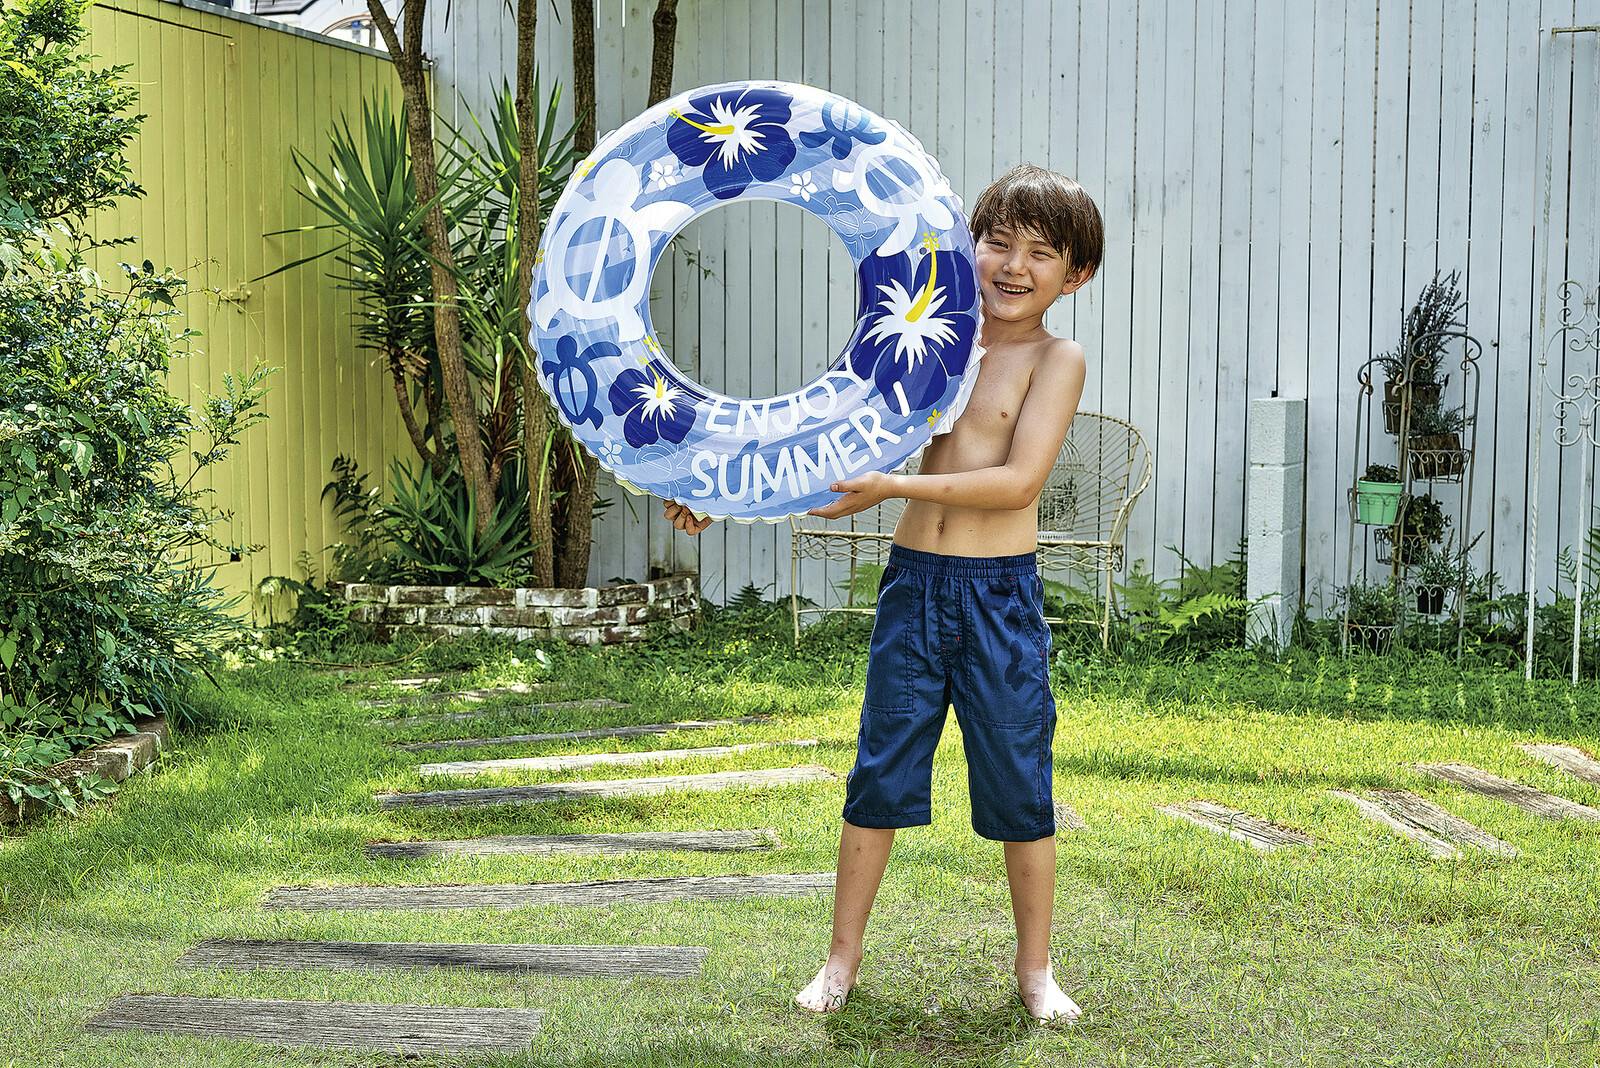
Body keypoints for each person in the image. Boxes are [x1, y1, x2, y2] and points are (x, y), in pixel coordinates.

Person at [663, 163, 1102, 1023]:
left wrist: (894, 485)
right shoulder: (926, 338)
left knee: (1019, 779)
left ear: (1074, 274)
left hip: (997, 597)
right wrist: (727, 494)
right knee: (879, 773)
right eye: (998, 243)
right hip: (914, 588)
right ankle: (840, 962)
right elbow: (832, 442)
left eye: (1040, 253)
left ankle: (1036, 972)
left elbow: (1017, 483)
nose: (1013, 266)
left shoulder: (1057, 359)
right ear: (968, 246)